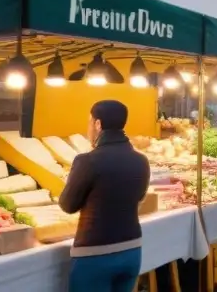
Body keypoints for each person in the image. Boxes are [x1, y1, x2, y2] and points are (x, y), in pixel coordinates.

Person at [59, 100, 151, 292]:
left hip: (95, 254)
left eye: (89, 122)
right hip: (132, 250)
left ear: (98, 124)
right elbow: (139, 198)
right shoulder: (141, 161)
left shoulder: (87, 161)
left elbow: (68, 205)